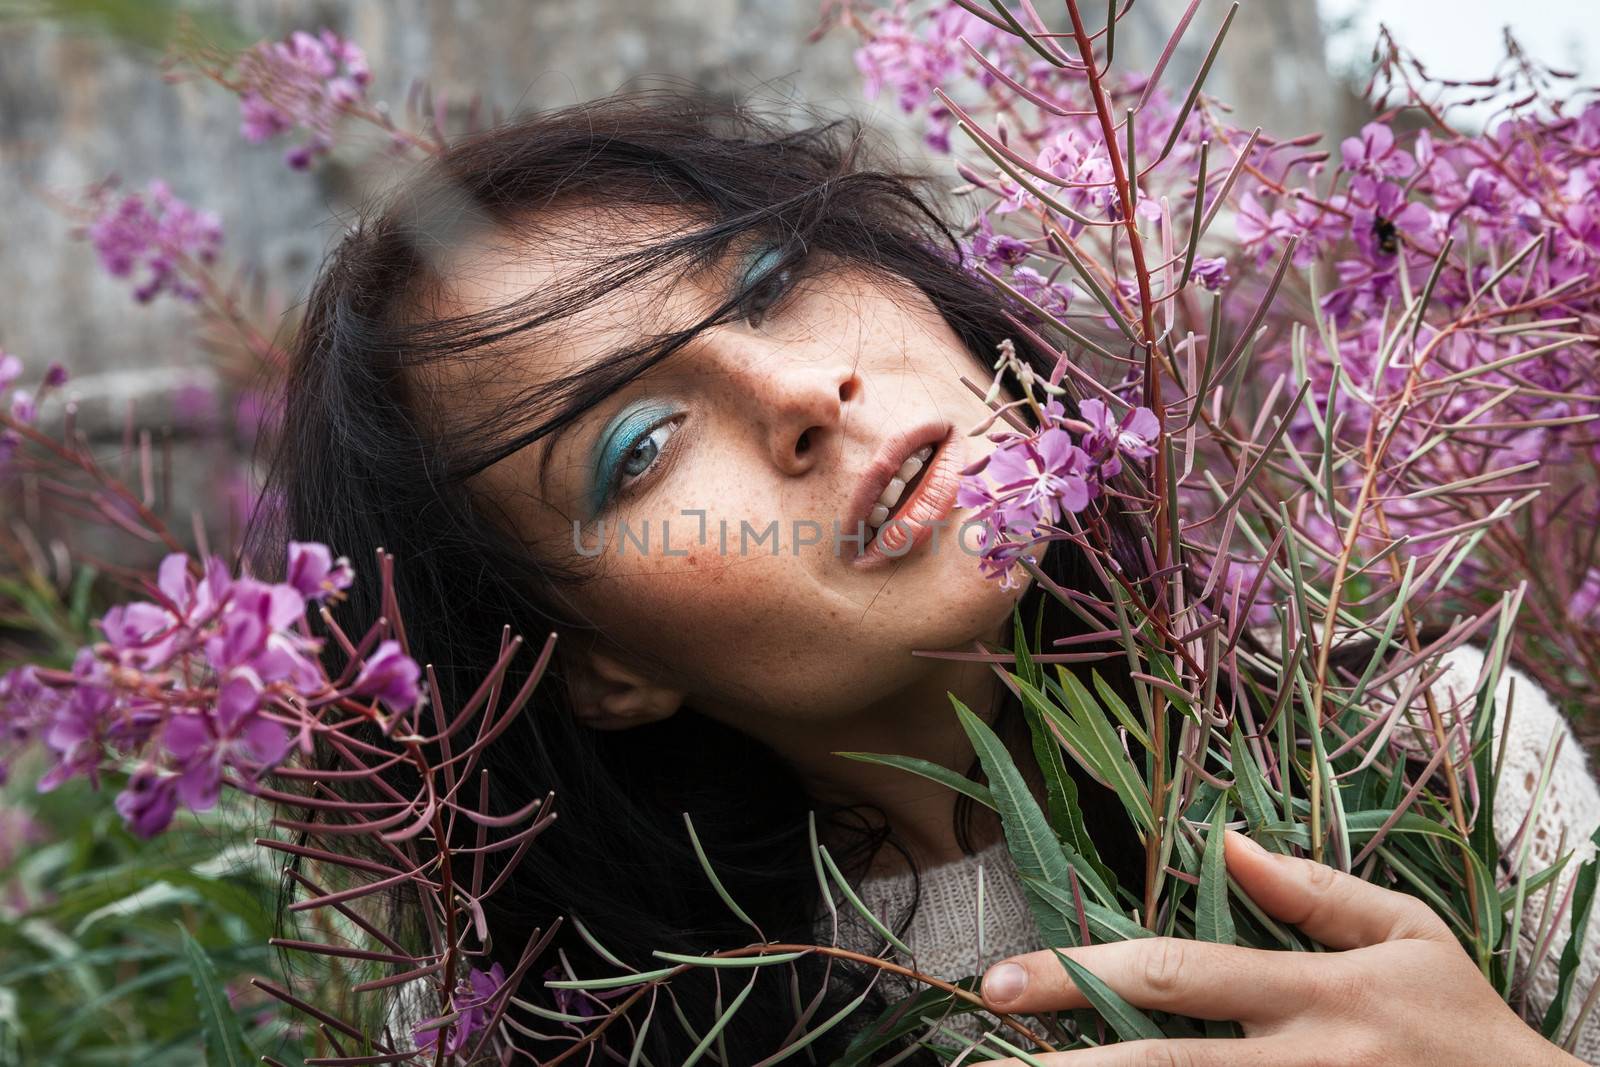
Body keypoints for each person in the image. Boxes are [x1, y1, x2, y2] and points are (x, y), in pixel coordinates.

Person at [259, 90, 1600, 1064]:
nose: (799, 391)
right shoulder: (533, 1033)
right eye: (641, 444)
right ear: (596, 668)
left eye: (773, 278)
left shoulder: (1433, 756)